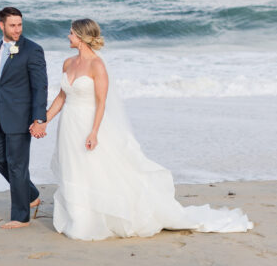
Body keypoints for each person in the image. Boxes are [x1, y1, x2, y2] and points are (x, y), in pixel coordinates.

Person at [45, 18, 252, 240]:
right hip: (69, 124)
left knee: (95, 168)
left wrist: (94, 131)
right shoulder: (68, 63)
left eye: (71, 33)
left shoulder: (97, 65)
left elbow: (101, 101)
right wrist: (44, 121)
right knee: (73, 167)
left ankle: (94, 218)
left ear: (82, 37)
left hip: (88, 123)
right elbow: (62, 97)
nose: (68, 36)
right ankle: (78, 216)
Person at [0, 6, 48, 229]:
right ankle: (31, 194)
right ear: (2, 25)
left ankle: (20, 217)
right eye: (12, 25)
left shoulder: (33, 50)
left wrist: (39, 118)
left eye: (20, 25)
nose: (17, 29)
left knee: (17, 166)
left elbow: (40, 87)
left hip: (21, 117)